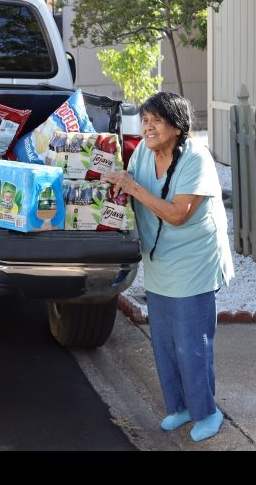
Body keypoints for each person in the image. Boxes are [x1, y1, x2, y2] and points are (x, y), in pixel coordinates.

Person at [103, 91, 233, 442]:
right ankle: (180, 407)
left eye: (155, 120)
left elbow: (178, 214)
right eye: (144, 120)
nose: (147, 127)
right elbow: (126, 192)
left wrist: (132, 187)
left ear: (177, 126)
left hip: (194, 261)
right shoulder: (143, 154)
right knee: (163, 342)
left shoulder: (196, 158)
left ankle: (207, 411)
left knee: (192, 343)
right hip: (160, 261)